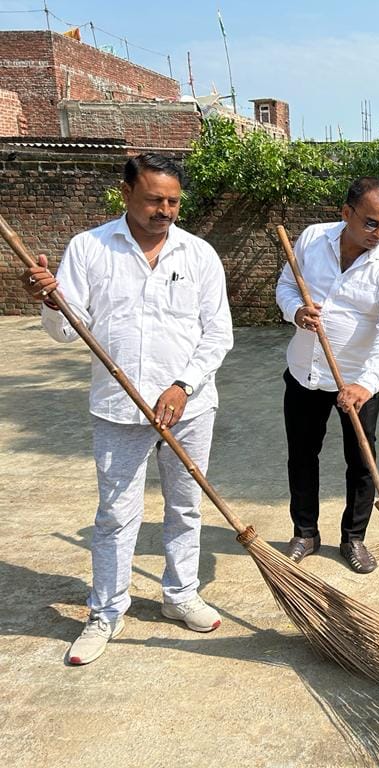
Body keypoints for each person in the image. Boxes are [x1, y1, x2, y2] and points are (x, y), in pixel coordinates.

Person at [20, 153, 234, 666]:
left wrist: (183, 386)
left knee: (185, 506)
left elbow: (218, 333)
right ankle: (106, 611)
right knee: (116, 514)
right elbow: (69, 331)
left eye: (174, 201)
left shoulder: (198, 254)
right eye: (154, 199)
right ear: (125, 194)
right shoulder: (90, 248)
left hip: (190, 407)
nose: (165, 210)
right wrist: (51, 303)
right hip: (118, 407)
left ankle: (180, 594)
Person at [276, 177, 379, 574]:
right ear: (346, 213)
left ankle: (354, 538)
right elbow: (286, 285)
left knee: (362, 461)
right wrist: (296, 312)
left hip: (358, 380)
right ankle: (305, 532)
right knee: (302, 455)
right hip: (305, 372)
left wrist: (365, 384)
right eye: (371, 223)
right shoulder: (312, 239)